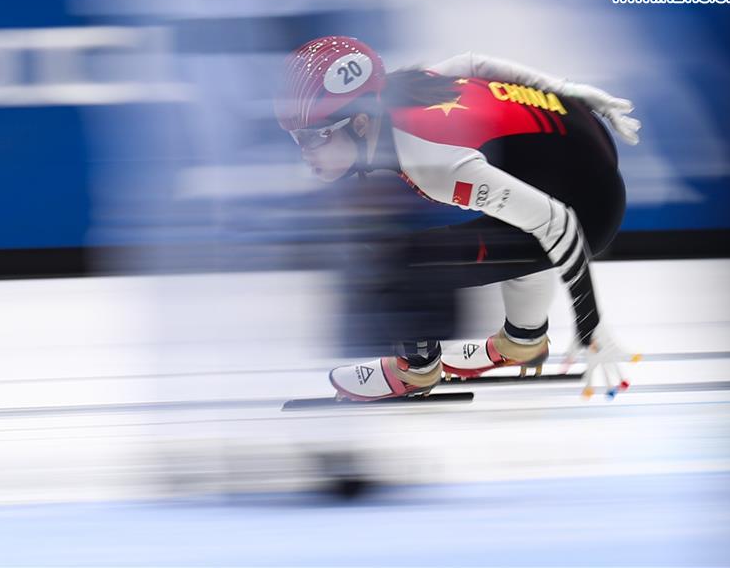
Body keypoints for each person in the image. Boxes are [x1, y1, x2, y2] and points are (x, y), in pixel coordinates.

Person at [274, 36, 641, 402]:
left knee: (402, 260)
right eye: (295, 138)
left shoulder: (432, 163)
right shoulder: (401, 89)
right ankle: (523, 341)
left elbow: (557, 224)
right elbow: (474, 62)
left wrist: (590, 326)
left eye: (311, 138)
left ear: (360, 124)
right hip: (575, 147)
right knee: (515, 218)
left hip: (587, 204)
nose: (304, 152)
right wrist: (569, 91)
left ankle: (416, 369)